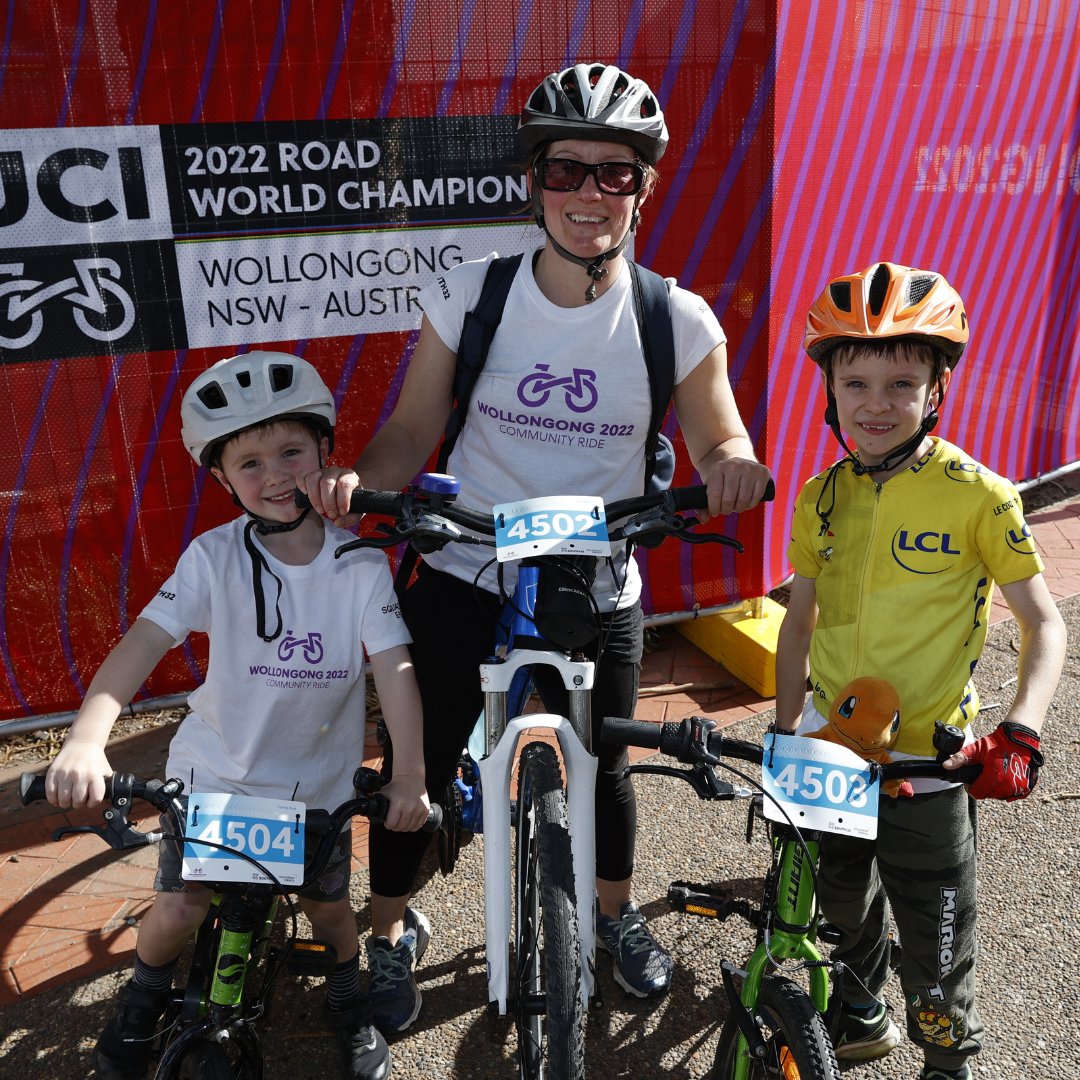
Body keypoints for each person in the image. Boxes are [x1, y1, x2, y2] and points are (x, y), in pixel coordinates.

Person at [301, 61, 772, 1031]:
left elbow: (720, 431)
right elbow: (410, 427)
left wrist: (731, 462)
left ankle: (610, 918)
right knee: (418, 769)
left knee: (604, 762)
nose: (589, 195)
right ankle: (389, 933)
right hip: (468, 563)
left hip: (596, 581)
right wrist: (363, 478)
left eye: (615, 174)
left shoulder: (673, 318)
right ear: (534, 180)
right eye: (566, 171)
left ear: (644, 186)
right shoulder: (473, 294)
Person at [44, 351, 431, 1080]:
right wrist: (87, 740)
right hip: (216, 775)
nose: (276, 473)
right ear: (221, 480)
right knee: (176, 911)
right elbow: (139, 646)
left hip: (314, 788)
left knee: (330, 914)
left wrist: (407, 775)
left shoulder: (358, 563)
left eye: (292, 450)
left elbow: (397, 672)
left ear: (327, 450)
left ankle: (348, 1003)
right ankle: (144, 994)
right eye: (249, 463)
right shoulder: (211, 557)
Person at [774, 262, 1067, 1080]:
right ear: (828, 387)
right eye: (855, 379)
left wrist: (1021, 731)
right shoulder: (820, 495)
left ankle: (946, 1060)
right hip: (828, 745)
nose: (875, 403)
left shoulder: (981, 495)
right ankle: (861, 1017)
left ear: (938, 387)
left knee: (936, 944)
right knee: (839, 908)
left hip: (929, 765)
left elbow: (1046, 625)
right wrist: (783, 731)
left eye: (901, 382)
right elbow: (798, 622)